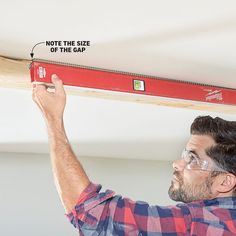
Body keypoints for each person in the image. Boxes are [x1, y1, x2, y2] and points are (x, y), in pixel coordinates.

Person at [32, 75, 236, 236]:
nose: (177, 164)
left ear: (225, 181)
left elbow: (93, 214)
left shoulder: (202, 223)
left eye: (192, 158)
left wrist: (53, 119)